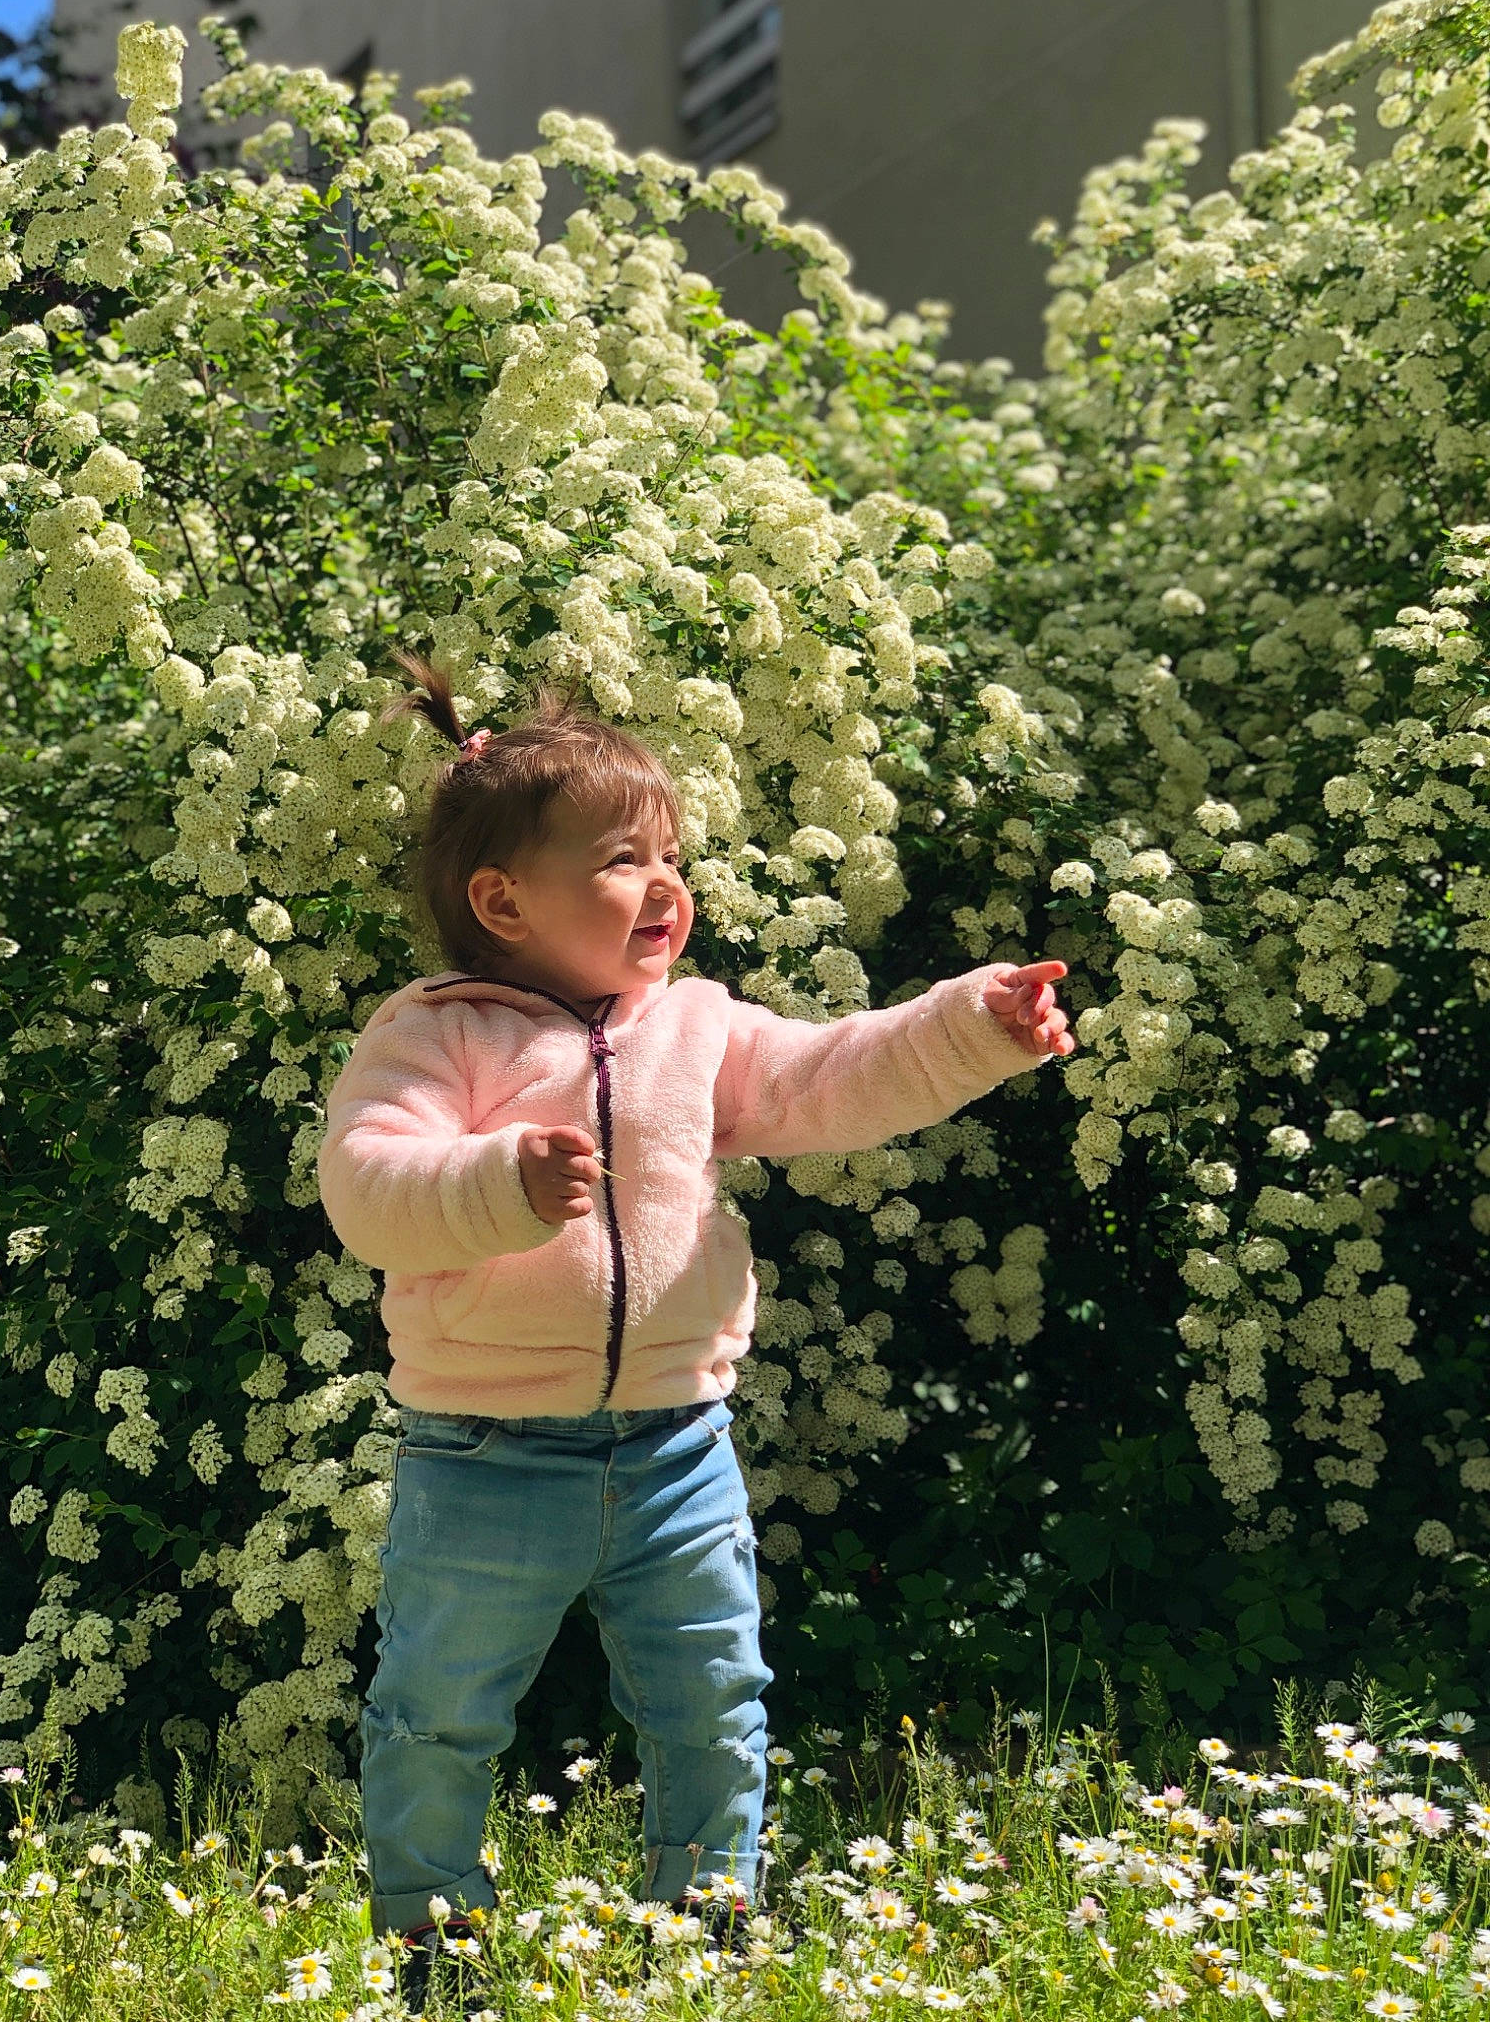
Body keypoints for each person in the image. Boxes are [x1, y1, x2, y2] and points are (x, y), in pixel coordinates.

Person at [316, 657, 1074, 2001]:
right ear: (502, 901)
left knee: (713, 1706)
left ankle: (701, 1933)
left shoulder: (697, 1032)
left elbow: (834, 1076)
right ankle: (433, 1955)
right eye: (624, 860)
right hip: (487, 1458)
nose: (668, 885)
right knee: (434, 1717)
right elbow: (369, 1187)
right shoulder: (434, 1039)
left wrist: (975, 1022)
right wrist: (497, 1185)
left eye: (674, 854)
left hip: (679, 1450)